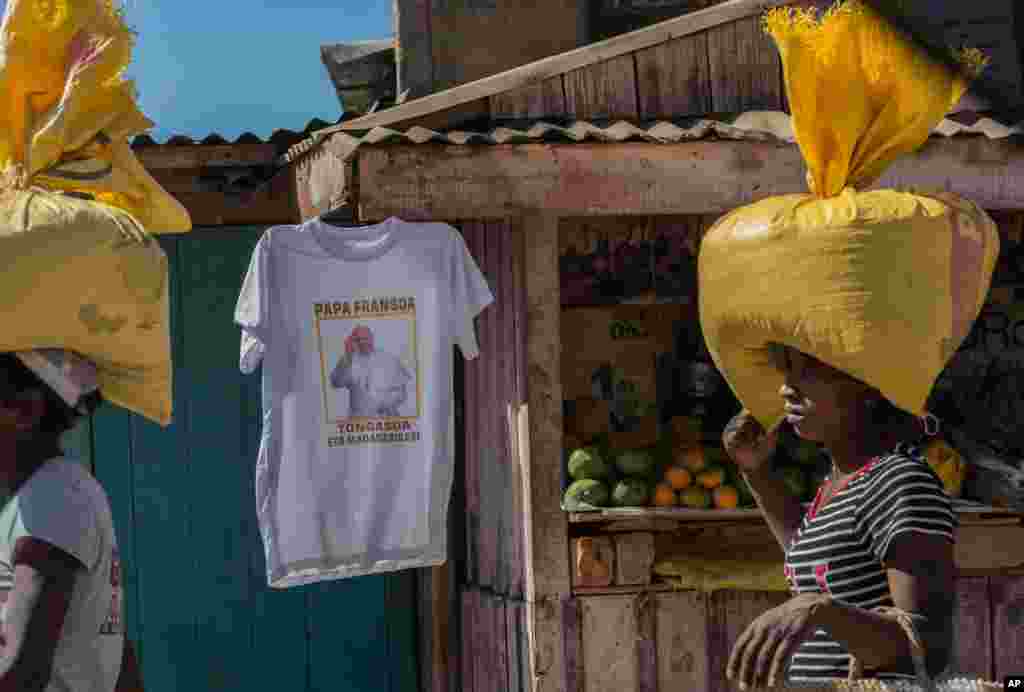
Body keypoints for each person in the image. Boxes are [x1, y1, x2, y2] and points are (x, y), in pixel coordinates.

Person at [723, 344, 955, 689]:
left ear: (865, 385)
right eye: (786, 371)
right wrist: (754, 470)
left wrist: (821, 610)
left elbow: (927, 646)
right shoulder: (838, 483)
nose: (786, 388)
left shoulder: (900, 481)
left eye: (807, 370)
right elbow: (814, 557)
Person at [0, 350, 144, 692]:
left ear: (25, 411)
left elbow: (23, 671)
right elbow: (114, 654)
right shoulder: (57, 494)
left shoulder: (53, 497)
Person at [330, 325, 413, 417]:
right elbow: (336, 383)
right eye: (358, 339)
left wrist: (384, 404)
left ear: (372, 338)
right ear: (353, 341)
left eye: (365, 338)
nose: (363, 342)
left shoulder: (389, 359)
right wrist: (348, 356)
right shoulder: (348, 360)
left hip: (386, 417)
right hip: (359, 419)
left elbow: (401, 392)